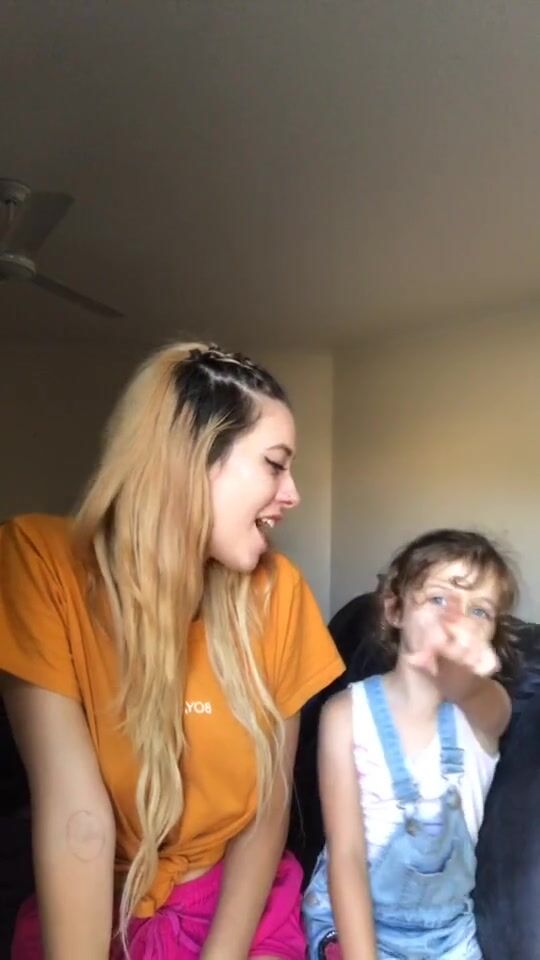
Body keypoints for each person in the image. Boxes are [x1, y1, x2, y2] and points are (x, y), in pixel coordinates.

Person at [0, 341, 345, 960]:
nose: (292, 494)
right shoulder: (40, 562)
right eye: (274, 464)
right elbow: (77, 815)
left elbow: (268, 812)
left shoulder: (280, 593)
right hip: (97, 906)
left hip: (236, 912)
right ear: (191, 455)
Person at [302, 529, 518, 960]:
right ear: (395, 609)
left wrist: (461, 677)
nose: (457, 619)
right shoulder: (344, 716)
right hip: (348, 921)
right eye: (439, 598)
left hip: (446, 934)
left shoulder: (485, 710)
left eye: (479, 610)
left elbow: (479, 697)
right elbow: (346, 856)